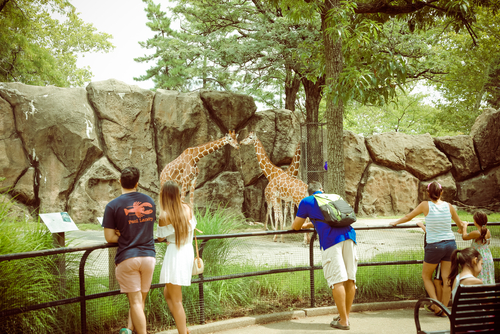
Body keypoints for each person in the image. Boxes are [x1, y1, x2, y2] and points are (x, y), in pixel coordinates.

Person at [390, 181, 465, 317]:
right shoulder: (449, 206)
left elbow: (408, 216)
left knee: (426, 276)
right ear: (441, 192)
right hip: (450, 244)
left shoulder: (425, 205)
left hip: (434, 245)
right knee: (447, 278)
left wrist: (395, 222)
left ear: (428, 193)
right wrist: (463, 227)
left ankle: (436, 305)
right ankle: (444, 310)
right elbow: (459, 225)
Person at [292, 181, 357, 330]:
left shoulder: (307, 201)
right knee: (350, 279)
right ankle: (344, 316)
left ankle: (344, 322)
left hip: (330, 240)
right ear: (322, 190)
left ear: (310, 192)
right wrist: (312, 223)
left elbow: (296, 226)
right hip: (350, 236)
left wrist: (302, 224)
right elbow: (333, 217)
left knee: (337, 280)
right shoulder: (334, 196)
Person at [102, 167, 156, 334]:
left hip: (128, 258)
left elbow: (109, 237)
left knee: (136, 302)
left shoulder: (112, 206)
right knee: (140, 301)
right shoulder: (150, 201)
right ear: (137, 183)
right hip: (148, 257)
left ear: (120, 181)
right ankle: (129, 329)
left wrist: (125, 235)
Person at [157, 181, 197, 334]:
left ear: (164, 195)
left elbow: (160, 238)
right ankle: (184, 329)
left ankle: (183, 331)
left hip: (175, 254)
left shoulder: (165, 214)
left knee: (176, 300)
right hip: (187, 251)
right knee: (168, 293)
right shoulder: (187, 208)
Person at [461, 211, 495, 284]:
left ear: (476, 221)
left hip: (478, 257)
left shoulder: (476, 233)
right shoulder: (487, 231)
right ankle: (489, 293)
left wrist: (465, 226)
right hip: (487, 257)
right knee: (487, 276)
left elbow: (464, 237)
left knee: (479, 276)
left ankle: (478, 292)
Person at [416, 221, 443, 308]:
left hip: (438, 253)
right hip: (437, 253)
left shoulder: (438, 223)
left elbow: (432, 233)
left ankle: (438, 306)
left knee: (437, 280)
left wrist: (422, 226)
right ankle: (438, 304)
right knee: (437, 280)